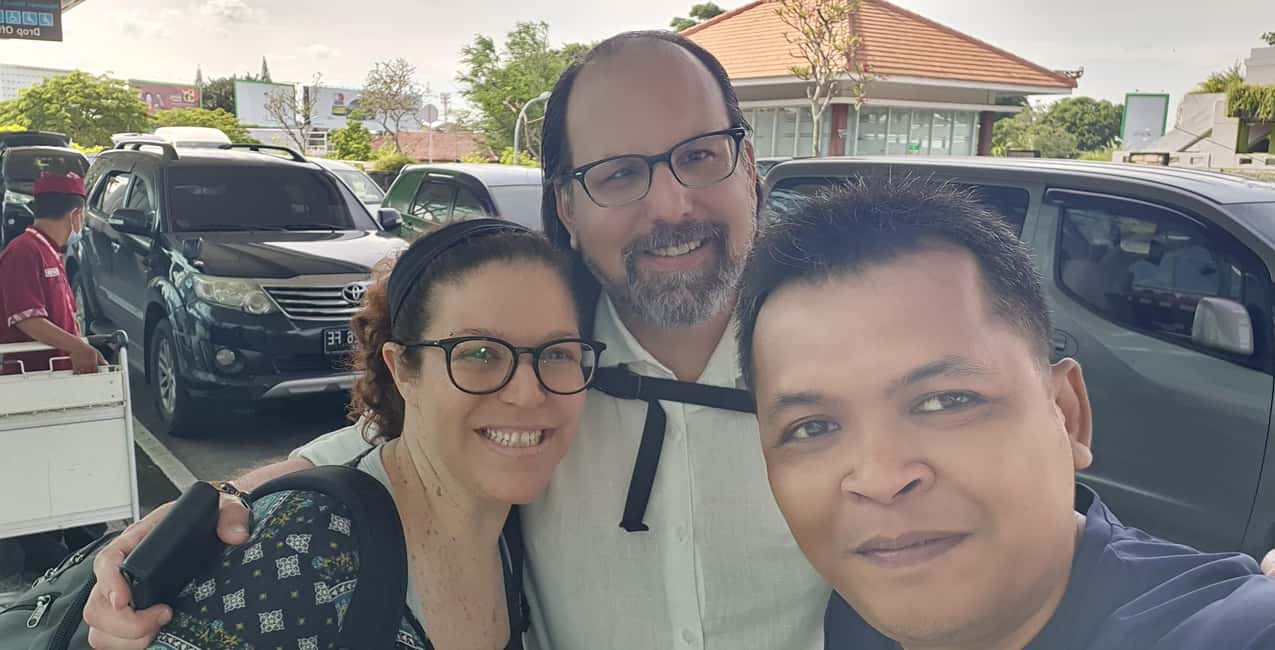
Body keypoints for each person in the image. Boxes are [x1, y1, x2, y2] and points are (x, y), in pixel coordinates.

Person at [84, 31, 829, 650]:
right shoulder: (547, 376)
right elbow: (398, 442)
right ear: (567, 208)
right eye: (618, 173)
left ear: (748, 165)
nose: (671, 204)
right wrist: (217, 508)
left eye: (700, 155)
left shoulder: (843, 369)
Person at [733, 178, 1275, 649]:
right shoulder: (846, 621)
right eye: (813, 427)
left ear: (1067, 415)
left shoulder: (1223, 629)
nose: (879, 479)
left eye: (947, 401)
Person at [144, 219, 604, 649]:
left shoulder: (512, 536)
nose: (527, 393)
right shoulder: (302, 553)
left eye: (557, 353)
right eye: (479, 353)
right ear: (402, 369)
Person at [0, 171, 103, 376]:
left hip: (56, 375)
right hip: (32, 379)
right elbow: (27, 319)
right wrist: (77, 347)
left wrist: (82, 347)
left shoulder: (47, 250)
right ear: (75, 215)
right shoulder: (23, 252)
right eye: (83, 215)